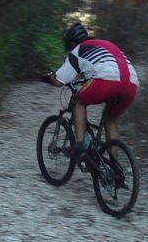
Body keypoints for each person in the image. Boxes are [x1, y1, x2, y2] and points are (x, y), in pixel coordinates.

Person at [41, 22, 139, 160]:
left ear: (72, 43)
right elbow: (105, 64)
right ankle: (114, 167)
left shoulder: (78, 50)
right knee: (110, 119)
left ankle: (80, 146)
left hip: (107, 80)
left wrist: (45, 78)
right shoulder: (104, 44)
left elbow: (59, 80)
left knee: (79, 101)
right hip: (132, 82)